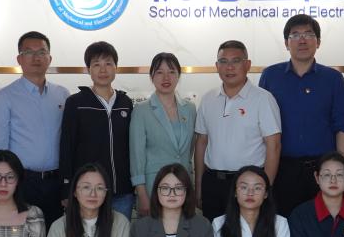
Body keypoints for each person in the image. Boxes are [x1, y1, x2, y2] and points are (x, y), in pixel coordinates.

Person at [259, 15, 344, 216]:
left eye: (309, 34)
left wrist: (341, 171)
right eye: (295, 35)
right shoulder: (271, 76)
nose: (302, 40)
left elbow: (342, 126)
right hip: (282, 168)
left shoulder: (333, 78)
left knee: (323, 225)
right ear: (286, 43)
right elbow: (261, 126)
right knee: (283, 225)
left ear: (318, 42)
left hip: (323, 169)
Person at [0, 31, 69, 226]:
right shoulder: (4, 97)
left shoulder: (63, 94)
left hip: (56, 182)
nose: (36, 57)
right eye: (29, 52)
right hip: (22, 182)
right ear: (19, 59)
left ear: (50, 58)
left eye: (41, 52)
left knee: (55, 236)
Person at [194, 40, 281, 220]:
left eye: (236, 61)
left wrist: (265, 189)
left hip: (248, 186)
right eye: (223, 61)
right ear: (216, 66)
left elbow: (274, 146)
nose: (229, 67)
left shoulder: (263, 99)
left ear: (247, 65)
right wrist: (199, 186)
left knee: (247, 235)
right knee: (214, 235)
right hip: (213, 183)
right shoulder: (208, 99)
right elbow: (201, 142)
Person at [60, 41, 135, 218]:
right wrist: (66, 189)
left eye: (108, 63)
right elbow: (67, 146)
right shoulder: (76, 103)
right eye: (96, 64)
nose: (103, 70)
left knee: (119, 235)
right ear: (88, 69)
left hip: (121, 192)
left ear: (116, 68)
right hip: (88, 192)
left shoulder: (125, 102)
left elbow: (132, 147)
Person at [130, 52, 197, 218]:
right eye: (159, 72)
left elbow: (189, 151)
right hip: (153, 187)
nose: (166, 77)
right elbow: (137, 156)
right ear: (151, 77)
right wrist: (142, 193)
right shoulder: (141, 110)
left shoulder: (190, 109)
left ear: (178, 76)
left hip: (183, 186)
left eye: (172, 72)